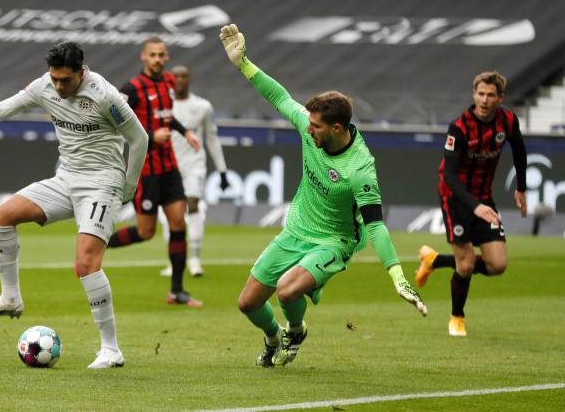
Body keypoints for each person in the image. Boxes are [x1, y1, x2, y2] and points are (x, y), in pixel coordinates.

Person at [219, 24, 427, 367]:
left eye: (315, 126)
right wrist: (243, 64)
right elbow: (280, 97)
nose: (308, 128)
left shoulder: (360, 168)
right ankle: (273, 337)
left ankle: (296, 329)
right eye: (309, 123)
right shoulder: (309, 125)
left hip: (334, 240)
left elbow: (375, 225)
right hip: (297, 230)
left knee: (287, 289)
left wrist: (397, 276)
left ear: (336, 128)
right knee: (248, 303)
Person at [0, 42, 147, 369]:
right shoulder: (44, 86)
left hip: (103, 181)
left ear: (81, 72)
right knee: (3, 216)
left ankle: (111, 349)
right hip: (66, 177)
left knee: (86, 263)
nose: (58, 86)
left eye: (65, 80)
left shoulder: (104, 95)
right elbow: (5, 108)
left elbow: (139, 138)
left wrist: (128, 186)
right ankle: (10, 297)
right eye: (54, 78)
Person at [415, 71, 527, 337]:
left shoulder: (507, 121)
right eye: (480, 94)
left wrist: (521, 187)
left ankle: (434, 260)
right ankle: (457, 317)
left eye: (490, 95)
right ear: (473, 94)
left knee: (498, 265)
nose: (485, 100)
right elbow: (449, 176)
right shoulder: (460, 128)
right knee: (464, 265)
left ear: (500, 98)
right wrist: (474, 206)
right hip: (455, 198)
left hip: (483, 198)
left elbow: (520, 149)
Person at [106, 37, 203, 307]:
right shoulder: (132, 89)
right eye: (153, 55)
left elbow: (167, 117)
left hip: (169, 167)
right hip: (145, 169)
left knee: (178, 224)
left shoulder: (169, 82)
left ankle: (177, 291)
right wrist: (150, 135)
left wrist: (185, 132)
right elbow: (114, 121)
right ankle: (99, 242)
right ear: (144, 57)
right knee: (145, 232)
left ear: (167, 56)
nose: (158, 59)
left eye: (162, 54)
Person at [158, 65, 230, 277]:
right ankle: (174, 261)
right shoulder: (162, 104)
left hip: (194, 165)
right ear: (170, 80)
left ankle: (195, 259)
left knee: (193, 205)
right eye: (176, 76)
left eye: (184, 76)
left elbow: (212, 138)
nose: (180, 80)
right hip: (168, 165)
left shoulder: (203, 106)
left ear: (189, 80)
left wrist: (222, 171)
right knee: (171, 213)